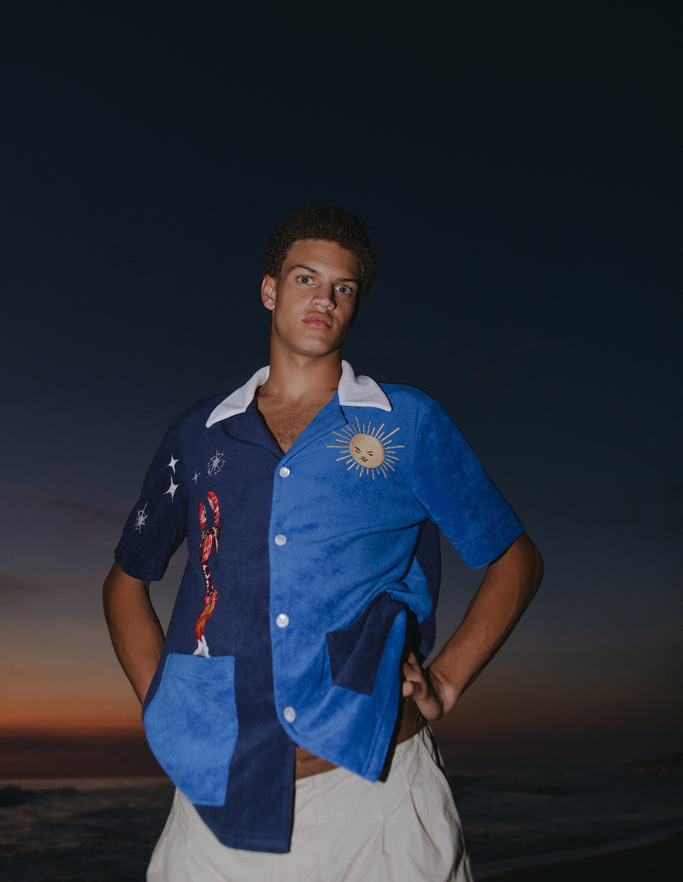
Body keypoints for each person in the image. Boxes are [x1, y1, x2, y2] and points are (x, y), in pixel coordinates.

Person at [103, 203, 543, 881]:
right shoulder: (198, 436)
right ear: (270, 290)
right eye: (306, 279)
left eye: (343, 288)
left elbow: (514, 560)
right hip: (217, 801)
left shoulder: (406, 423)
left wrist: (447, 682)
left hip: (375, 797)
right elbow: (126, 581)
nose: (324, 299)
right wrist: (163, 698)